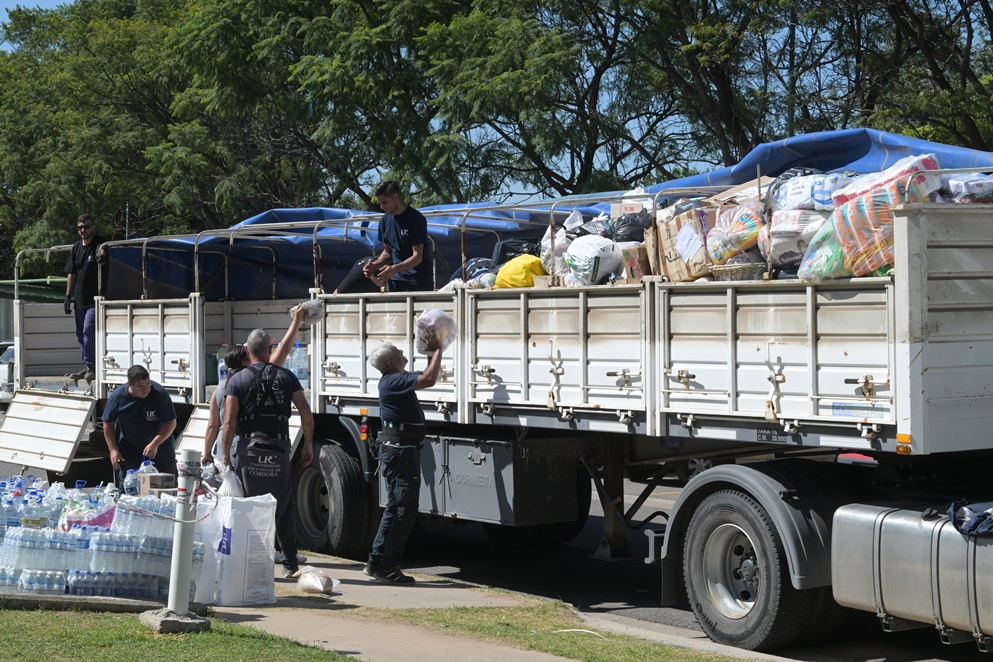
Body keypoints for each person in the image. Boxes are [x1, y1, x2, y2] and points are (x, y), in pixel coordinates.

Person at [222, 326, 315, 578]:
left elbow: (229, 422)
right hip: (279, 449)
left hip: (249, 450)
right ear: (269, 350)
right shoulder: (287, 376)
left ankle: (251, 563)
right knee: (283, 505)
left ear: (247, 351)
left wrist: (223, 455)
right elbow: (305, 411)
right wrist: (307, 444)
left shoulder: (237, 380)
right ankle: (289, 564)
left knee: (248, 506)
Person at [363, 336, 443, 584]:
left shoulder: (394, 380)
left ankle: (376, 562)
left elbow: (427, 374)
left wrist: (431, 354)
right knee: (404, 511)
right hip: (402, 453)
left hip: (399, 451)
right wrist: (438, 349)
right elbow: (429, 379)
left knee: (394, 508)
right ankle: (388, 566)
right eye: (397, 351)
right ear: (390, 361)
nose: (401, 351)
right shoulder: (393, 381)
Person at [202, 305, 308, 467]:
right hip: (245, 448)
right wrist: (297, 320)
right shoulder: (251, 378)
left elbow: (213, 425)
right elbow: (285, 349)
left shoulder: (221, 387)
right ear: (246, 360)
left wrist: (207, 453)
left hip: (223, 448)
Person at [102, 365, 178, 482]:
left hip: (160, 446)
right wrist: (113, 450)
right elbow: (108, 424)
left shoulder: (159, 393)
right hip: (131, 447)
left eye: (148, 384)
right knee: (131, 487)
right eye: (141, 387)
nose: (146, 389)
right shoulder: (118, 397)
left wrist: (154, 444)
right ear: (130, 384)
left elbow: (171, 423)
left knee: (164, 487)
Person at [362, 180, 434, 292]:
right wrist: (375, 266)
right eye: (380, 203)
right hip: (396, 282)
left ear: (396, 197)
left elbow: (417, 256)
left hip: (419, 281)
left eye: (384, 202)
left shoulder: (416, 218)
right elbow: (387, 252)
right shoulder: (384, 220)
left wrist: (394, 268)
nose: (381, 207)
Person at [64, 214, 105, 381]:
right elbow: (71, 273)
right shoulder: (75, 247)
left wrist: (102, 255)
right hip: (79, 299)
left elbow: (103, 252)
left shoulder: (99, 243)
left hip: (95, 299)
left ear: (93, 227)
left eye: (86, 227)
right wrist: (68, 296)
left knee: (89, 331)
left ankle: (93, 366)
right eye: (80, 227)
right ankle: (87, 366)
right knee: (80, 334)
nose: (83, 230)